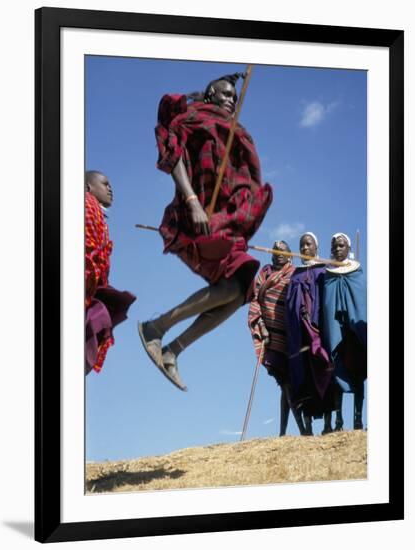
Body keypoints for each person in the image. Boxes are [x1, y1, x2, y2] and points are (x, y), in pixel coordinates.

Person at [138, 73, 272, 391]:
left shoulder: (234, 131)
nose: (230, 99)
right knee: (239, 280)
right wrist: (192, 198)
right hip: (196, 214)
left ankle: (170, 348)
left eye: (234, 97)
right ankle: (156, 328)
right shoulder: (194, 119)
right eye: (224, 94)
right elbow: (173, 156)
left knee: (239, 292)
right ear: (210, 94)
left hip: (223, 220)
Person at [248, 240, 306, 436]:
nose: (279, 253)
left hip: (292, 335)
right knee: (285, 382)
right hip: (271, 337)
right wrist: (261, 326)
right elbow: (255, 300)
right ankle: (302, 429)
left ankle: (283, 431)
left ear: (290, 255)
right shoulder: (264, 273)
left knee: (287, 384)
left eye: (283, 251)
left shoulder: (296, 274)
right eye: (275, 251)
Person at [85, 170, 136, 375]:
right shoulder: (86, 205)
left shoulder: (97, 213)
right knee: (98, 323)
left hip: (91, 287)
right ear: (88, 187)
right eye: (105, 184)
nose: (110, 189)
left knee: (99, 323)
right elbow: (87, 250)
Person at [285, 232, 336, 435]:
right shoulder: (295, 274)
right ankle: (307, 426)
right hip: (300, 334)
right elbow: (289, 303)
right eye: (302, 245)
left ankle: (328, 423)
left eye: (308, 245)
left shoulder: (324, 270)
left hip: (320, 331)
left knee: (325, 369)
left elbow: (329, 299)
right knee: (302, 374)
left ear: (316, 247)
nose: (305, 248)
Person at [322, 233, 367, 430]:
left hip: (353, 334)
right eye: (334, 247)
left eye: (341, 246)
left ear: (348, 248)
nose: (337, 249)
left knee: (358, 372)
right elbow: (326, 303)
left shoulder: (357, 272)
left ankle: (357, 419)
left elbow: (361, 300)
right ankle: (338, 419)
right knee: (336, 373)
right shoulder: (327, 274)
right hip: (336, 331)